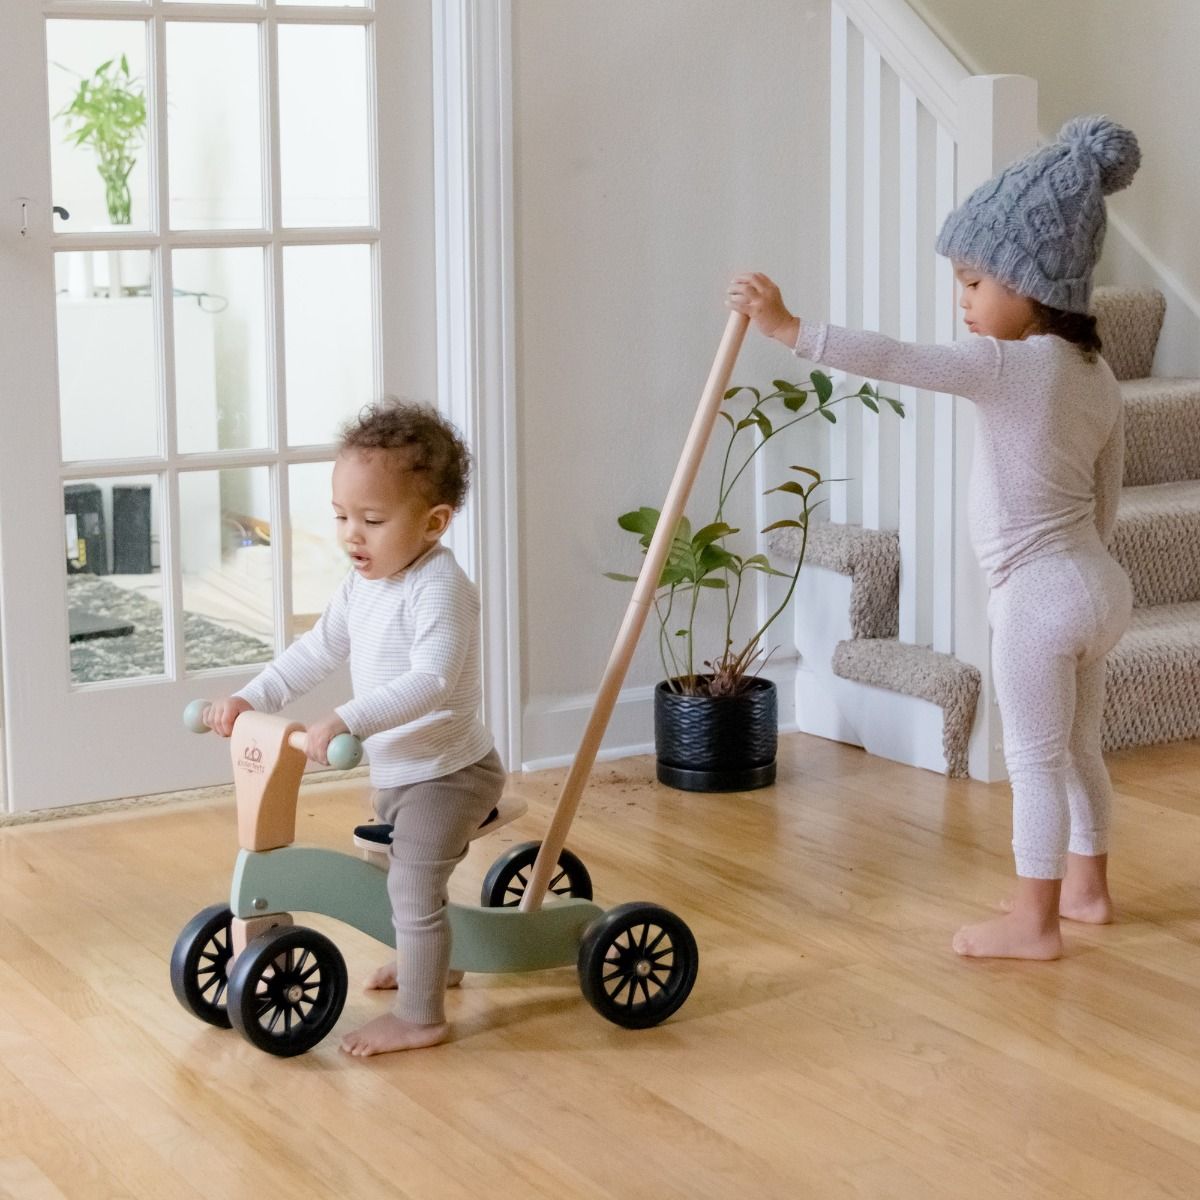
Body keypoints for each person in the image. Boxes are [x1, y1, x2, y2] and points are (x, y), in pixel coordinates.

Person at [728, 115, 1141, 960]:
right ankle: (1088, 890)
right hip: (1100, 583)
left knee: (1032, 758)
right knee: (1079, 750)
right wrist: (1080, 573)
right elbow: (1107, 495)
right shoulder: (1097, 375)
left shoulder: (1005, 366)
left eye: (974, 283)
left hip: (1038, 595)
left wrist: (790, 328)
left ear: (1034, 283)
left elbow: (897, 359)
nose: (963, 302)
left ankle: (1035, 922)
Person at [205, 400, 504, 1052]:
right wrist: (251, 697)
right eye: (341, 516)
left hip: (450, 775)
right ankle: (435, 958)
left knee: (411, 884)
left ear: (434, 522)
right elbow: (316, 650)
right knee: (384, 872)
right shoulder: (361, 585)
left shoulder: (439, 587)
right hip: (399, 774)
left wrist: (349, 717)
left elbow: (431, 680)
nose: (351, 536)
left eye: (372, 520)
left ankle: (422, 1015)